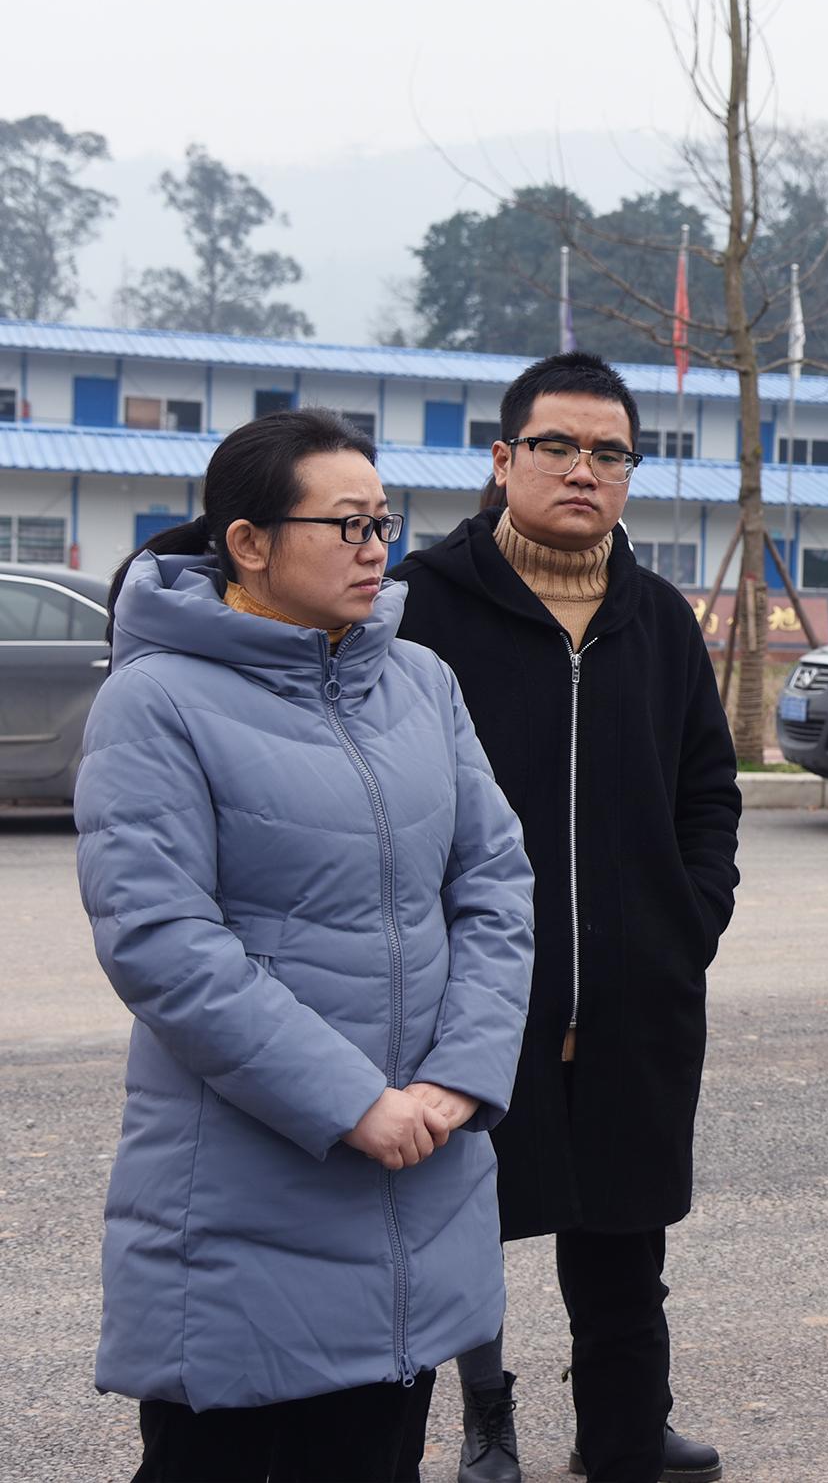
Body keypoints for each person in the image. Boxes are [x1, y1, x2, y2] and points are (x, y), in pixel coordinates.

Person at [77, 410, 535, 1482]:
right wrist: (350, 1102)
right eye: (346, 525)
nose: (376, 549)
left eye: (383, 522)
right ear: (248, 542)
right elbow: (160, 939)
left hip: (421, 1167)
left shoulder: (419, 682)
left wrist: (458, 1077)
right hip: (247, 1194)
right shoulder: (157, 699)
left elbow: (494, 884)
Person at [393, 352, 742, 1483]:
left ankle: (623, 1429)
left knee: (626, 1240)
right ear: (504, 460)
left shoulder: (660, 617)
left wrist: (686, 923)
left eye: (609, 452)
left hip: (635, 992)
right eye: (557, 446)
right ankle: (486, 1418)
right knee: (463, 1231)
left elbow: (707, 791)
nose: (583, 470)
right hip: (472, 994)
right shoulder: (420, 608)